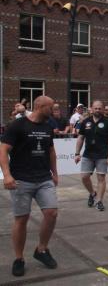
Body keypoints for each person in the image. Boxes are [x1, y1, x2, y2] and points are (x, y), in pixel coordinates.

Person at [0, 96, 59, 277]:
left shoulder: (48, 126)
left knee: (51, 213)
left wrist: (55, 172)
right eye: (51, 107)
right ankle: (19, 258)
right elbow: (3, 150)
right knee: (22, 219)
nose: (54, 110)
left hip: (43, 179)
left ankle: (41, 250)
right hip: (21, 180)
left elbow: (50, 150)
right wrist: (7, 175)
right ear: (40, 106)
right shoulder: (17, 125)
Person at [74, 100, 108, 211]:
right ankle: (93, 193)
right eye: (95, 108)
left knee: (101, 178)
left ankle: (99, 201)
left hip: (102, 155)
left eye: (99, 108)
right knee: (84, 177)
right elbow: (80, 138)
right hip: (88, 154)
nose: (97, 110)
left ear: (102, 109)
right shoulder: (86, 122)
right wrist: (77, 153)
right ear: (91, 109)